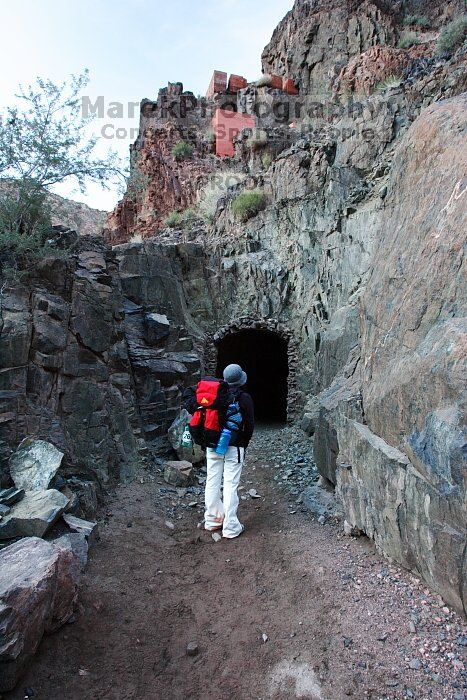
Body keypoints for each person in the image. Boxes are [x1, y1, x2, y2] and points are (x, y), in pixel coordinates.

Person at [204, 364, 254, 538]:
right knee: (230, 484)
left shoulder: (215, 394)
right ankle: (230, 526)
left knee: (212, 479)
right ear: (241, 380)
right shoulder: (244, 398)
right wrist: (243, 442)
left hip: (212, 443)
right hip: (234, 444)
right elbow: (249, 426)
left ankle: (212, 519)